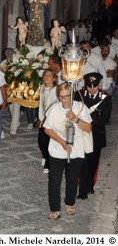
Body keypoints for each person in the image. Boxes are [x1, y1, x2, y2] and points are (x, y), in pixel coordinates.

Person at [43, 83, 92, 219]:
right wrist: (62, 143)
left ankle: (70, 203)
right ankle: (55, 209)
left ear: (72, 95)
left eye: (67, 96)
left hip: (76, 150)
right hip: (57, 149)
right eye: (61, 97)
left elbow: (88, 128)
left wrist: (75, 118)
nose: (64, 100)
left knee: (72, 178)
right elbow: (47, 129)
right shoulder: (54, 108)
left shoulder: (80, 107)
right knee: (55, 180)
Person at [75, 73, 112, 199]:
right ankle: (83, 189)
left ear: (99, 84)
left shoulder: (106, 98)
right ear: (85, 85)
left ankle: (89, 185)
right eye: (89, 86)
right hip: (81, 133)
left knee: (92, 163)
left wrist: (91, 120)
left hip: (96, 135)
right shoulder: (79, 95)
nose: (92, 89)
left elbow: (106, 119)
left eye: (95, 86)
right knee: (80, 161)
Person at [37, 69, 58, 173]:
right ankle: (45, 156)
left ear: (54, 78)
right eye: (45, 75)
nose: (46, 77)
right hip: (43, 119)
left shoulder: (55, 90)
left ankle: (48, 165)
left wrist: (46, 118)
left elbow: (55, 106)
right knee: (41, 142)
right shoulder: (42, 88)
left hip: (51, 121)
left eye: (49, 75)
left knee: (48, 142)